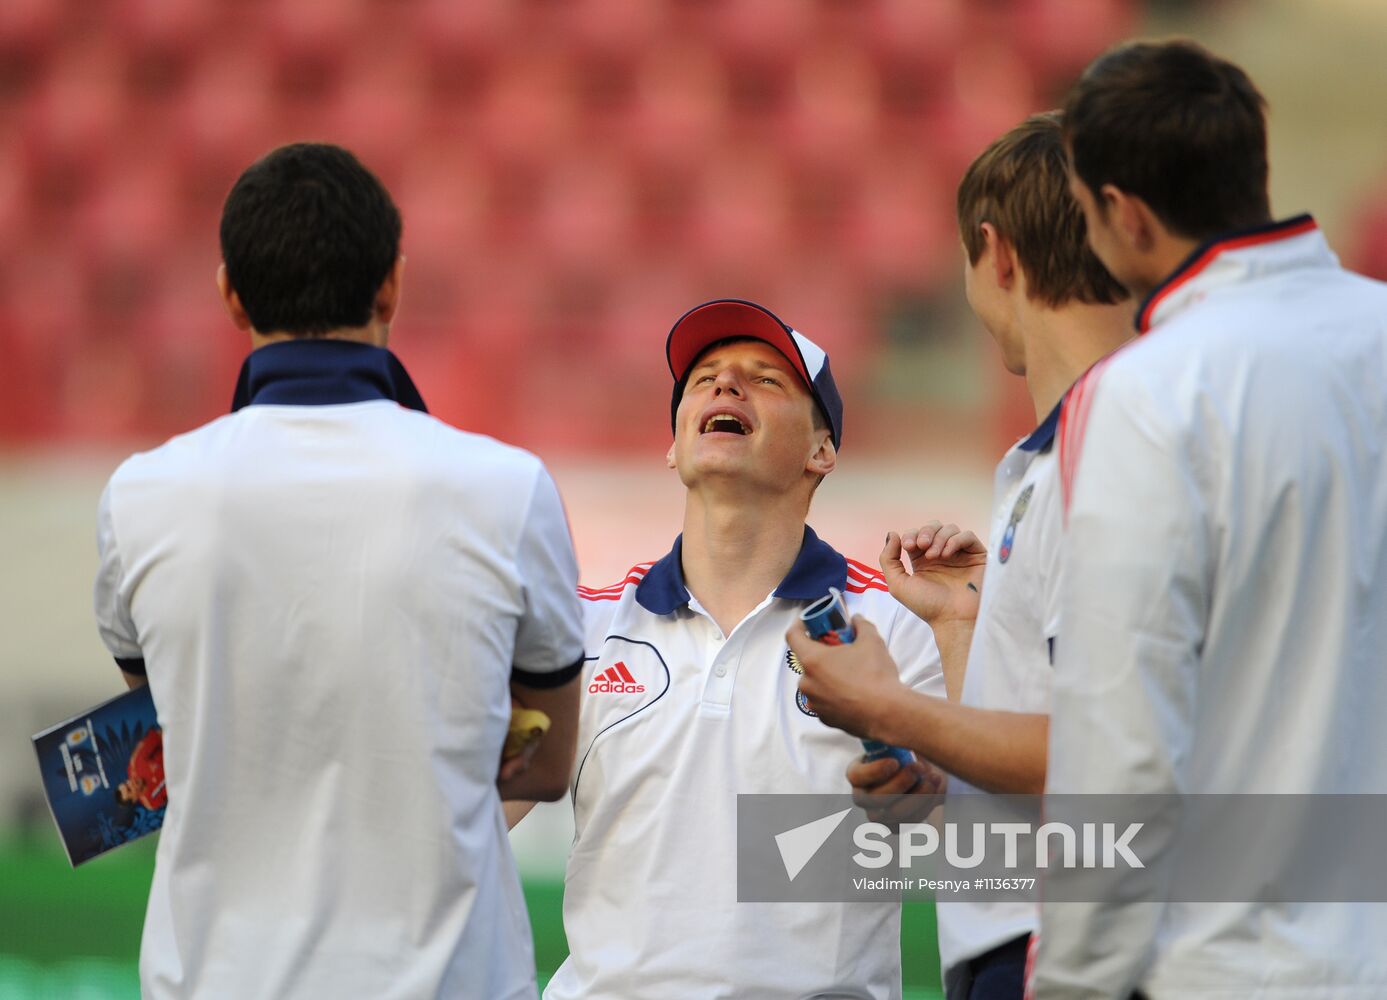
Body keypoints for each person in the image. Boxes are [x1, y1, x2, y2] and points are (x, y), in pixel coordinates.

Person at [92, 142, 585, 1000]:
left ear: (229, 295)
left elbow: (162, 732)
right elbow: (545, 760)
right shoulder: (507, 488)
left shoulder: (138, 497)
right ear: (392, 284)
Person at [1034, 40, 1387, 997]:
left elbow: (1122, 740)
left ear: (1123, 213)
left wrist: (1074, 982)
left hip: (1230, 962)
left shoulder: (1154, 391)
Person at [507, 298, 949, 999]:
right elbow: (469, 816)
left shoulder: (901, 629)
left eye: (766, 379)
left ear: (821, 450)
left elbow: (1000, 837)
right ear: (675, 445)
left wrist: (929, 792)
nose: (723, 385)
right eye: (704, 378)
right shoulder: (582, 631)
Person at [785, 113, 1132, 999]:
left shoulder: (1110, 450)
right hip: (1023, 926)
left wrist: (890, 708)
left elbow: (1100, 751)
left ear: (996, 253)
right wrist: (962, 630)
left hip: (1064, 939)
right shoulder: (1054, 458)